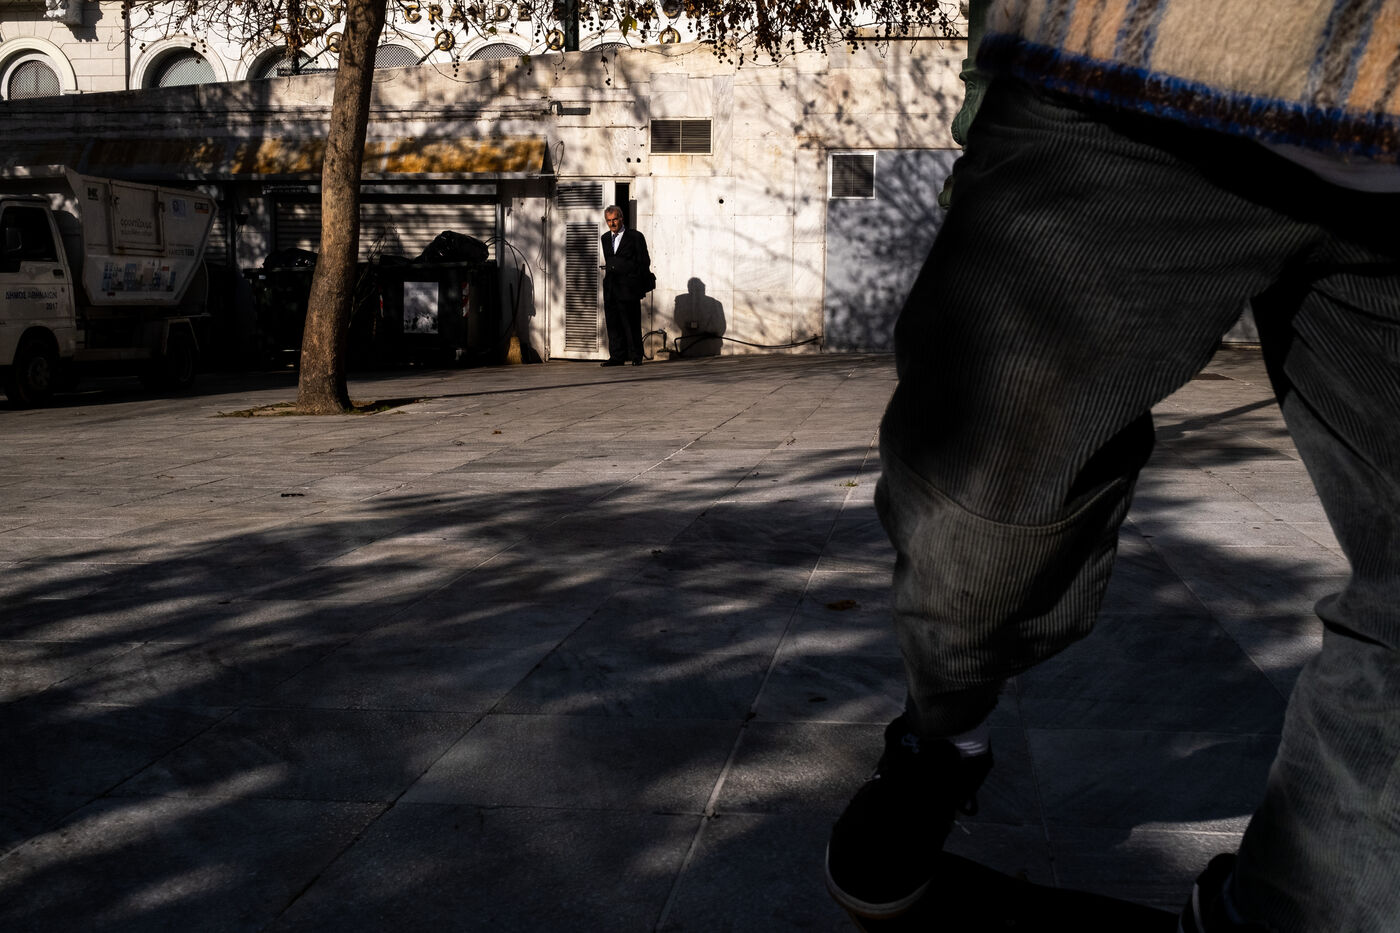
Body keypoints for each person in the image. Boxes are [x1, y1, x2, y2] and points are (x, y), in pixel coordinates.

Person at [824, 3, 1400, 932]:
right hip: (1137, 79)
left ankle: (1279, 913)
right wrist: (991, 87)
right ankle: (944, 738)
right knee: (977, 516)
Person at [600, 205, 651, 366]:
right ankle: (617, 356)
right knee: (613, 323)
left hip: (629, 287)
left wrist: (635, 281)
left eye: (615, 219)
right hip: (611, 287)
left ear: (621, 218)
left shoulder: (635, 236)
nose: (612, 223)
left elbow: (644, 261)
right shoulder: (605, 238)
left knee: (631, 323)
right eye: (609, 220)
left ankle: (636, 356)